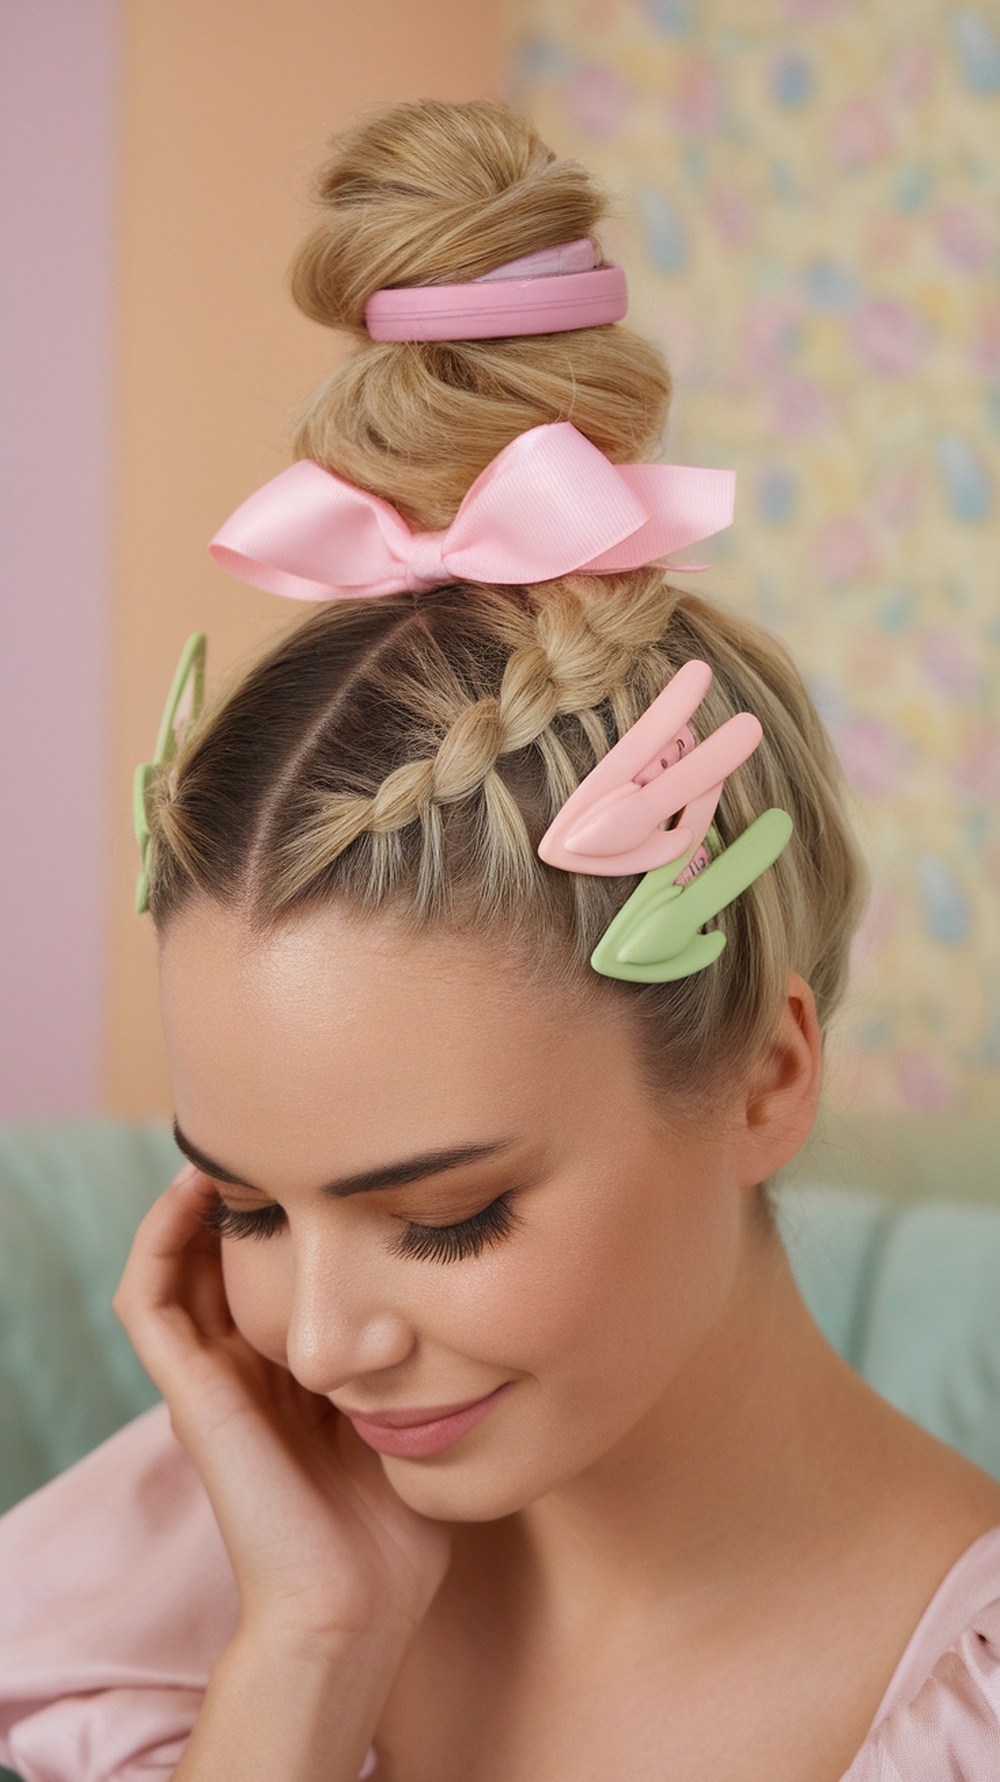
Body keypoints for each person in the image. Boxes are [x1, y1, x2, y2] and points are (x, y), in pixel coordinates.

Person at [2, 97, 1000, 1782]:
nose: (318, 1344)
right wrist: (308, 1648)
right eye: (246, 1203)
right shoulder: (179, 1573)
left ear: (768, 1070)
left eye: (447, 1216)